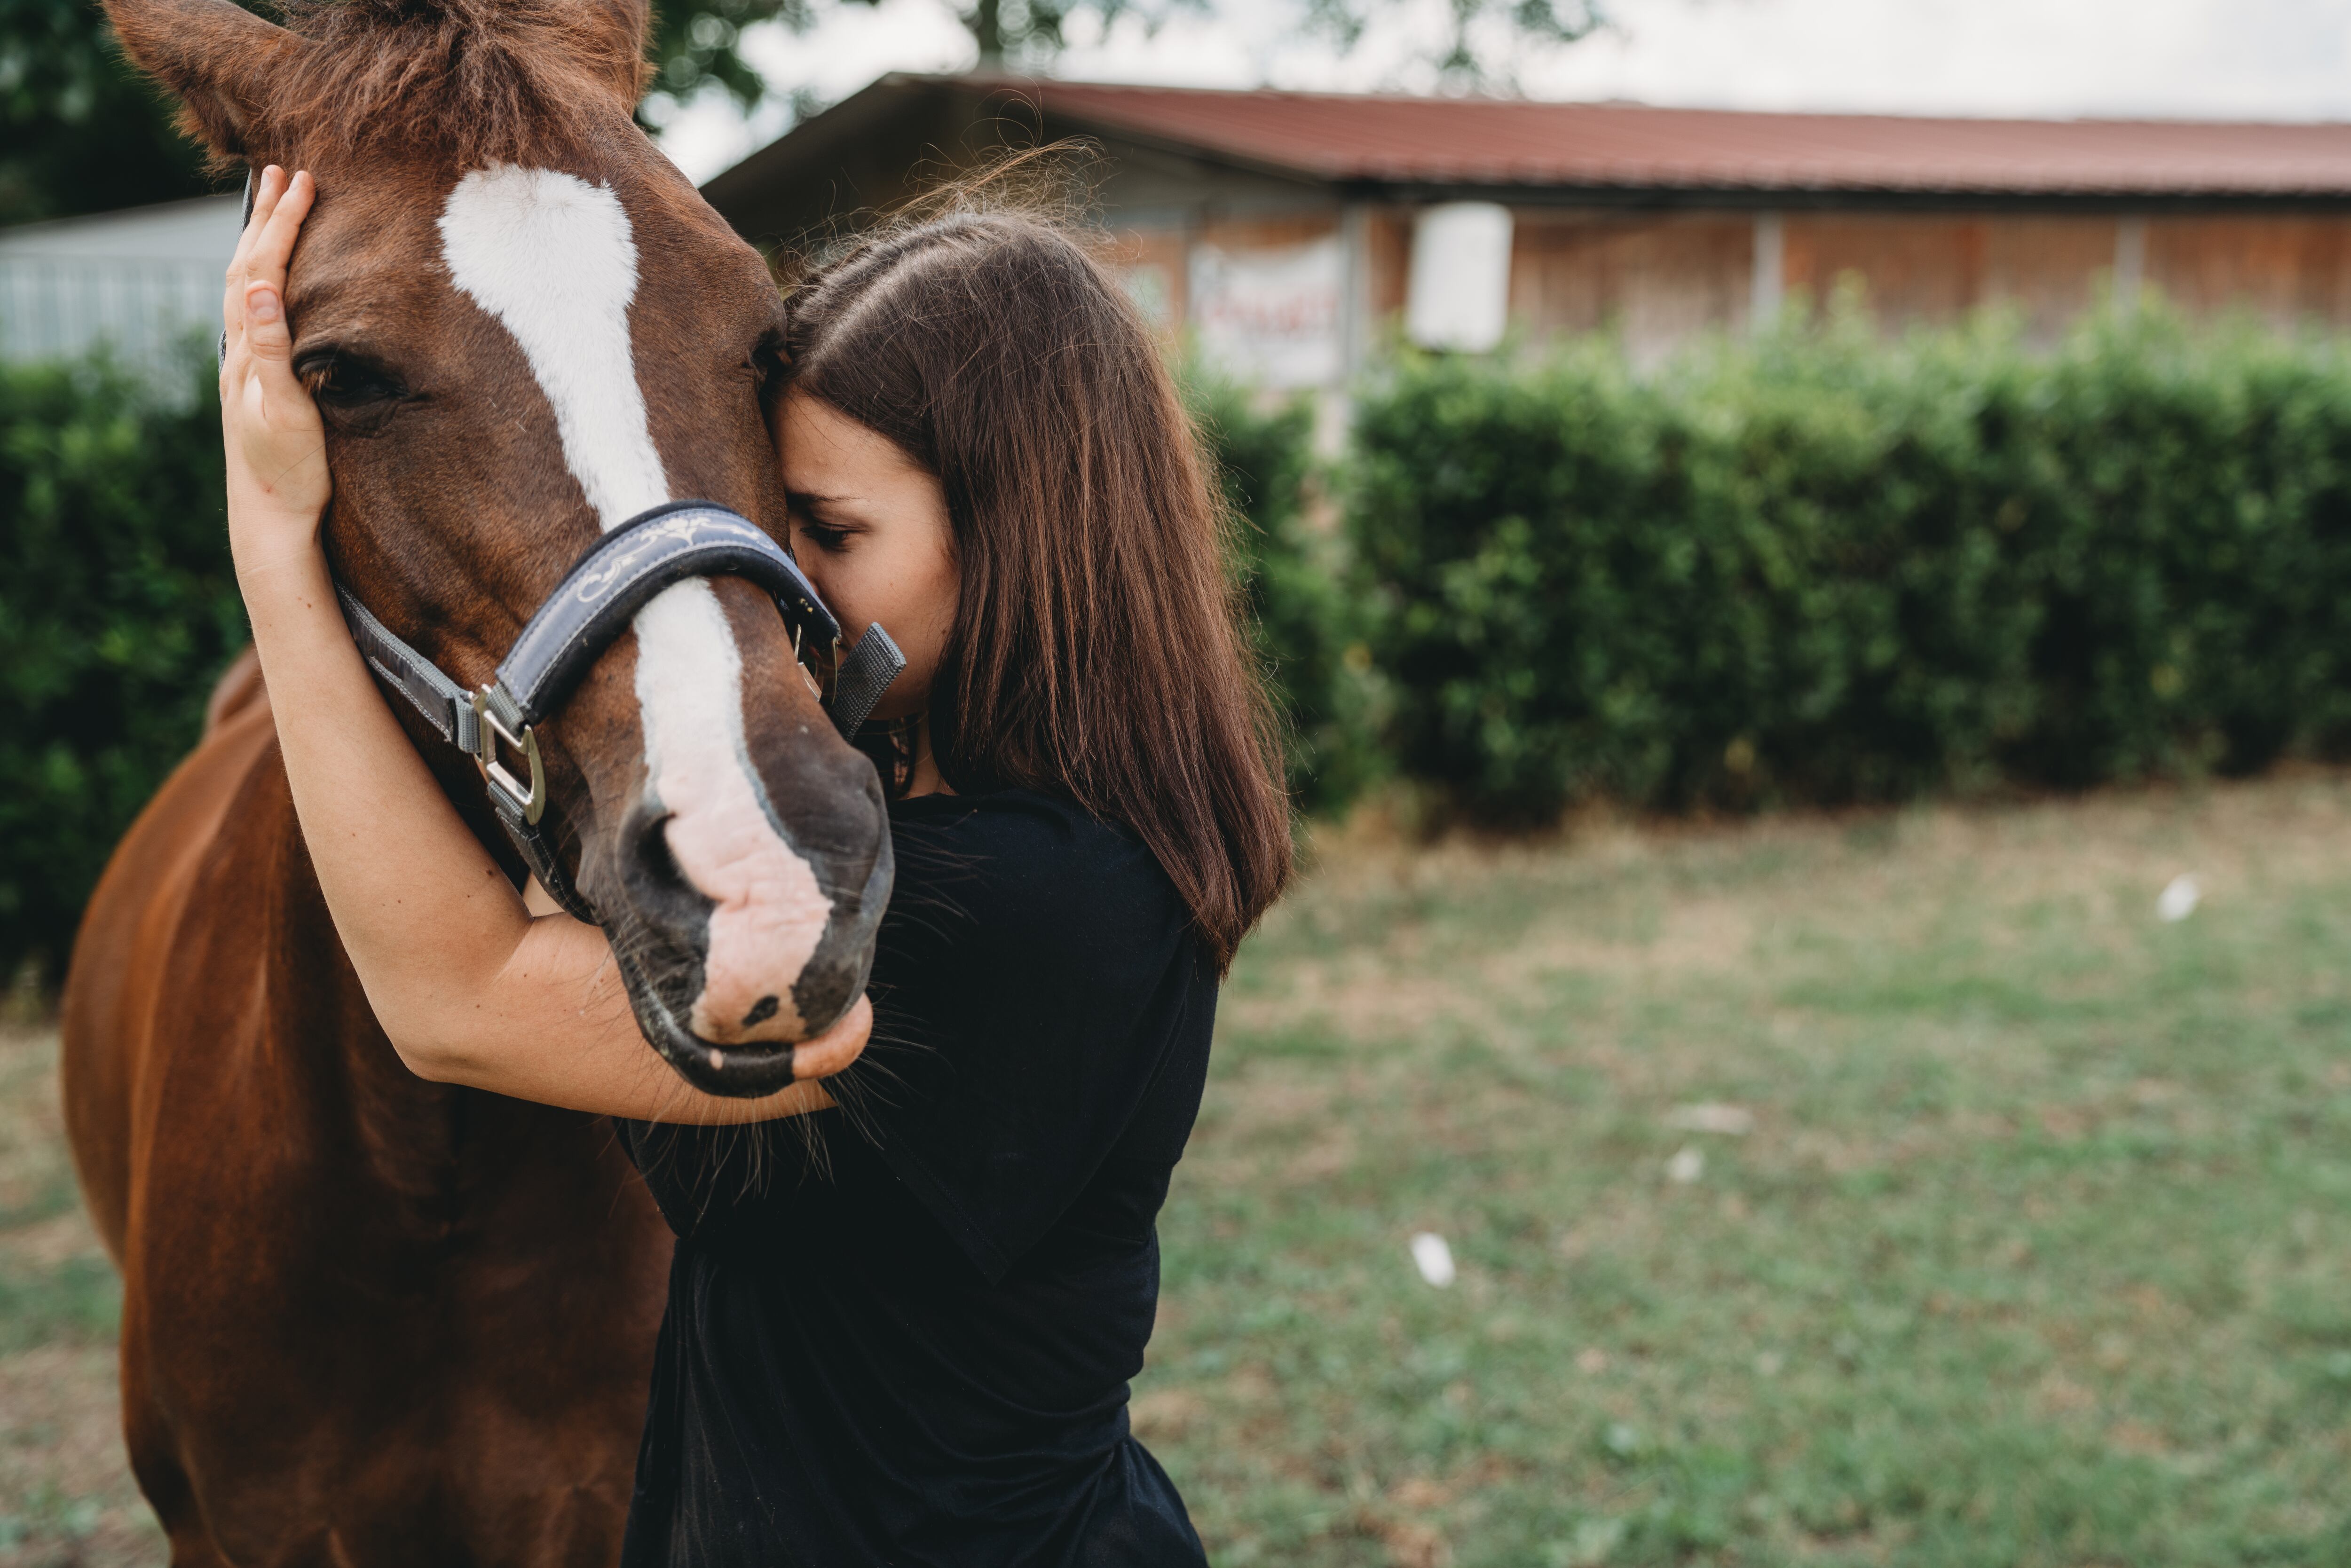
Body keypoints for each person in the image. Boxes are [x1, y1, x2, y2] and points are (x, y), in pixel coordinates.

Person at [219, 165, 1293, 1564]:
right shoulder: (995, 827)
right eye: (768, 513)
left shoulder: (1028, 908)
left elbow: (458, 992)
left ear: (1022, 544)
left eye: (831, 534)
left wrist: (275, 548)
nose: (778, 577)